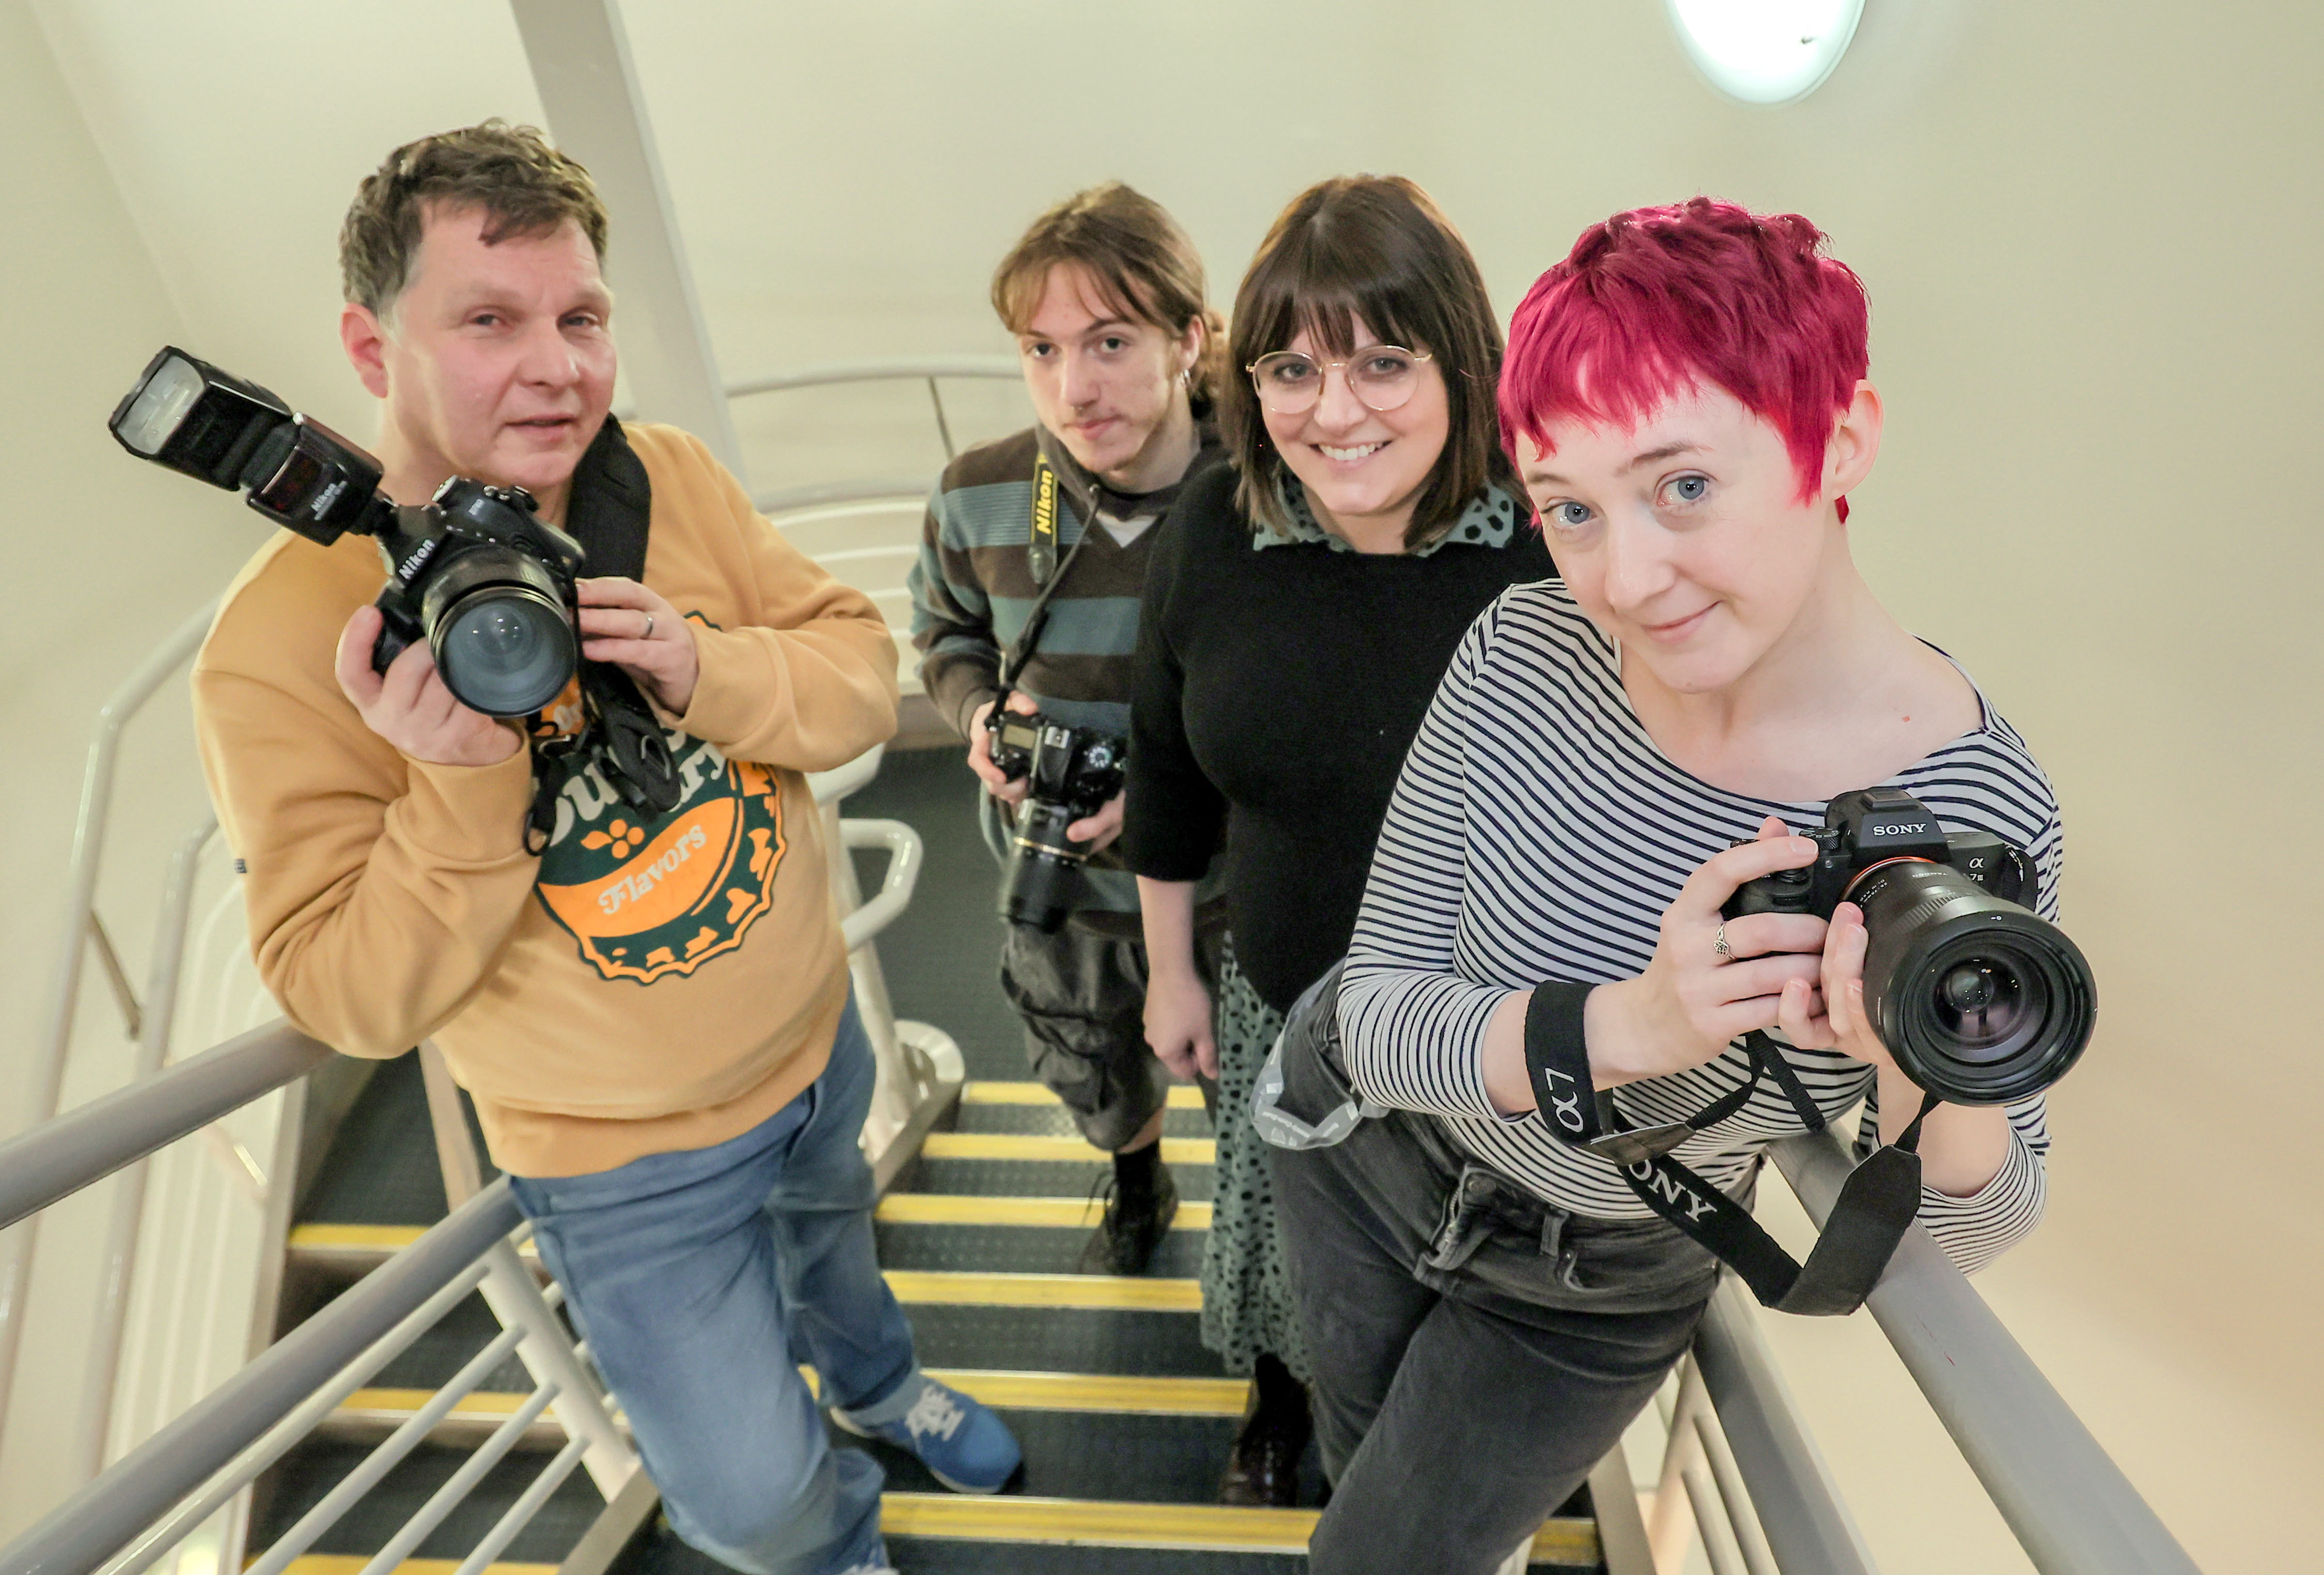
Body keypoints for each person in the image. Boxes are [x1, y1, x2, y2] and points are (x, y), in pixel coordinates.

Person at [191, 121, 1017, 1575]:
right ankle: (837, 1549)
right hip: (622, 1168)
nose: (557, 365)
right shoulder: (276, 645)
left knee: (843, 1262)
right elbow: (345, 994)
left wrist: (711, 669)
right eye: (490, 320)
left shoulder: (663, 477)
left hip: (816, 1046)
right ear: (372, 351)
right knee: (755, 1499)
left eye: (581, 318)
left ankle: (881, 1390)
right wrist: (455, 786)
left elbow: (845, 663)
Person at [1269, 198, 2060, 1574]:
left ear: (1841, 437)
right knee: (1363, 1472)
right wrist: (1634, 1026)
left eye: (1681, 486)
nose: (1622, 579)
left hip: (1598, 1275)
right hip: (1364, 1165)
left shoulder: (1976, 811)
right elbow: (1371, 1015)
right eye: (1567, 508)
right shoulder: (1522, 647)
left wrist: (1905, 1075)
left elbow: (1972, 1226)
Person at [1124, 176, 1556, 1507]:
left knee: (1454, 1289)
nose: (1336, 407)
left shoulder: (1548, 549)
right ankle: (1278, 1392)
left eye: (1383, 360)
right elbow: (1164, 760)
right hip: (1283, 1007)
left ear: (1461, 360)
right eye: (1293, 367)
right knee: (1290, 1263)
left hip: (1489, 1029)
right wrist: (1171, 968)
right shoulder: (1215, 525)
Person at [907, 182, 1230, 1274]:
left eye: (1108, 342)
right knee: (1090, 1064)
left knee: (1255, 1098)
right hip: (1057, 889)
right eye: (1040, 351)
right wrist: (979, 713)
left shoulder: (1269, 495)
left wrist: (1184, 795)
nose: (1072, 389)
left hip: (1234, 887)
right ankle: (1136, 1173)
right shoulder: (981, 496)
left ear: (1188, 337)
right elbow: (945, 636)